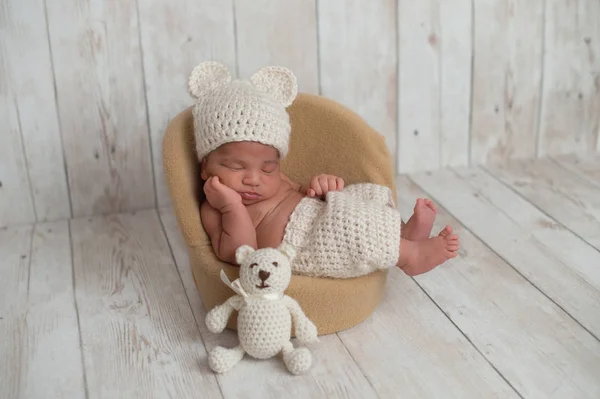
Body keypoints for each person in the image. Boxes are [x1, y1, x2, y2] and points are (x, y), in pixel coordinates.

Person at [189, 61, 459, 279]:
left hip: (317, 213)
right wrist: (231, 206)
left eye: (268, 168)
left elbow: (300, 192)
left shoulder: (277, 181)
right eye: (236, 166)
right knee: (353, 230)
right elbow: (241, 252)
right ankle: (410, 256)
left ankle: (404, 235)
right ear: (205, 167)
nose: (253, 179)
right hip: (306, 244)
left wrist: (319, 186)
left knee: (361, 202)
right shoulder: (214, 209)